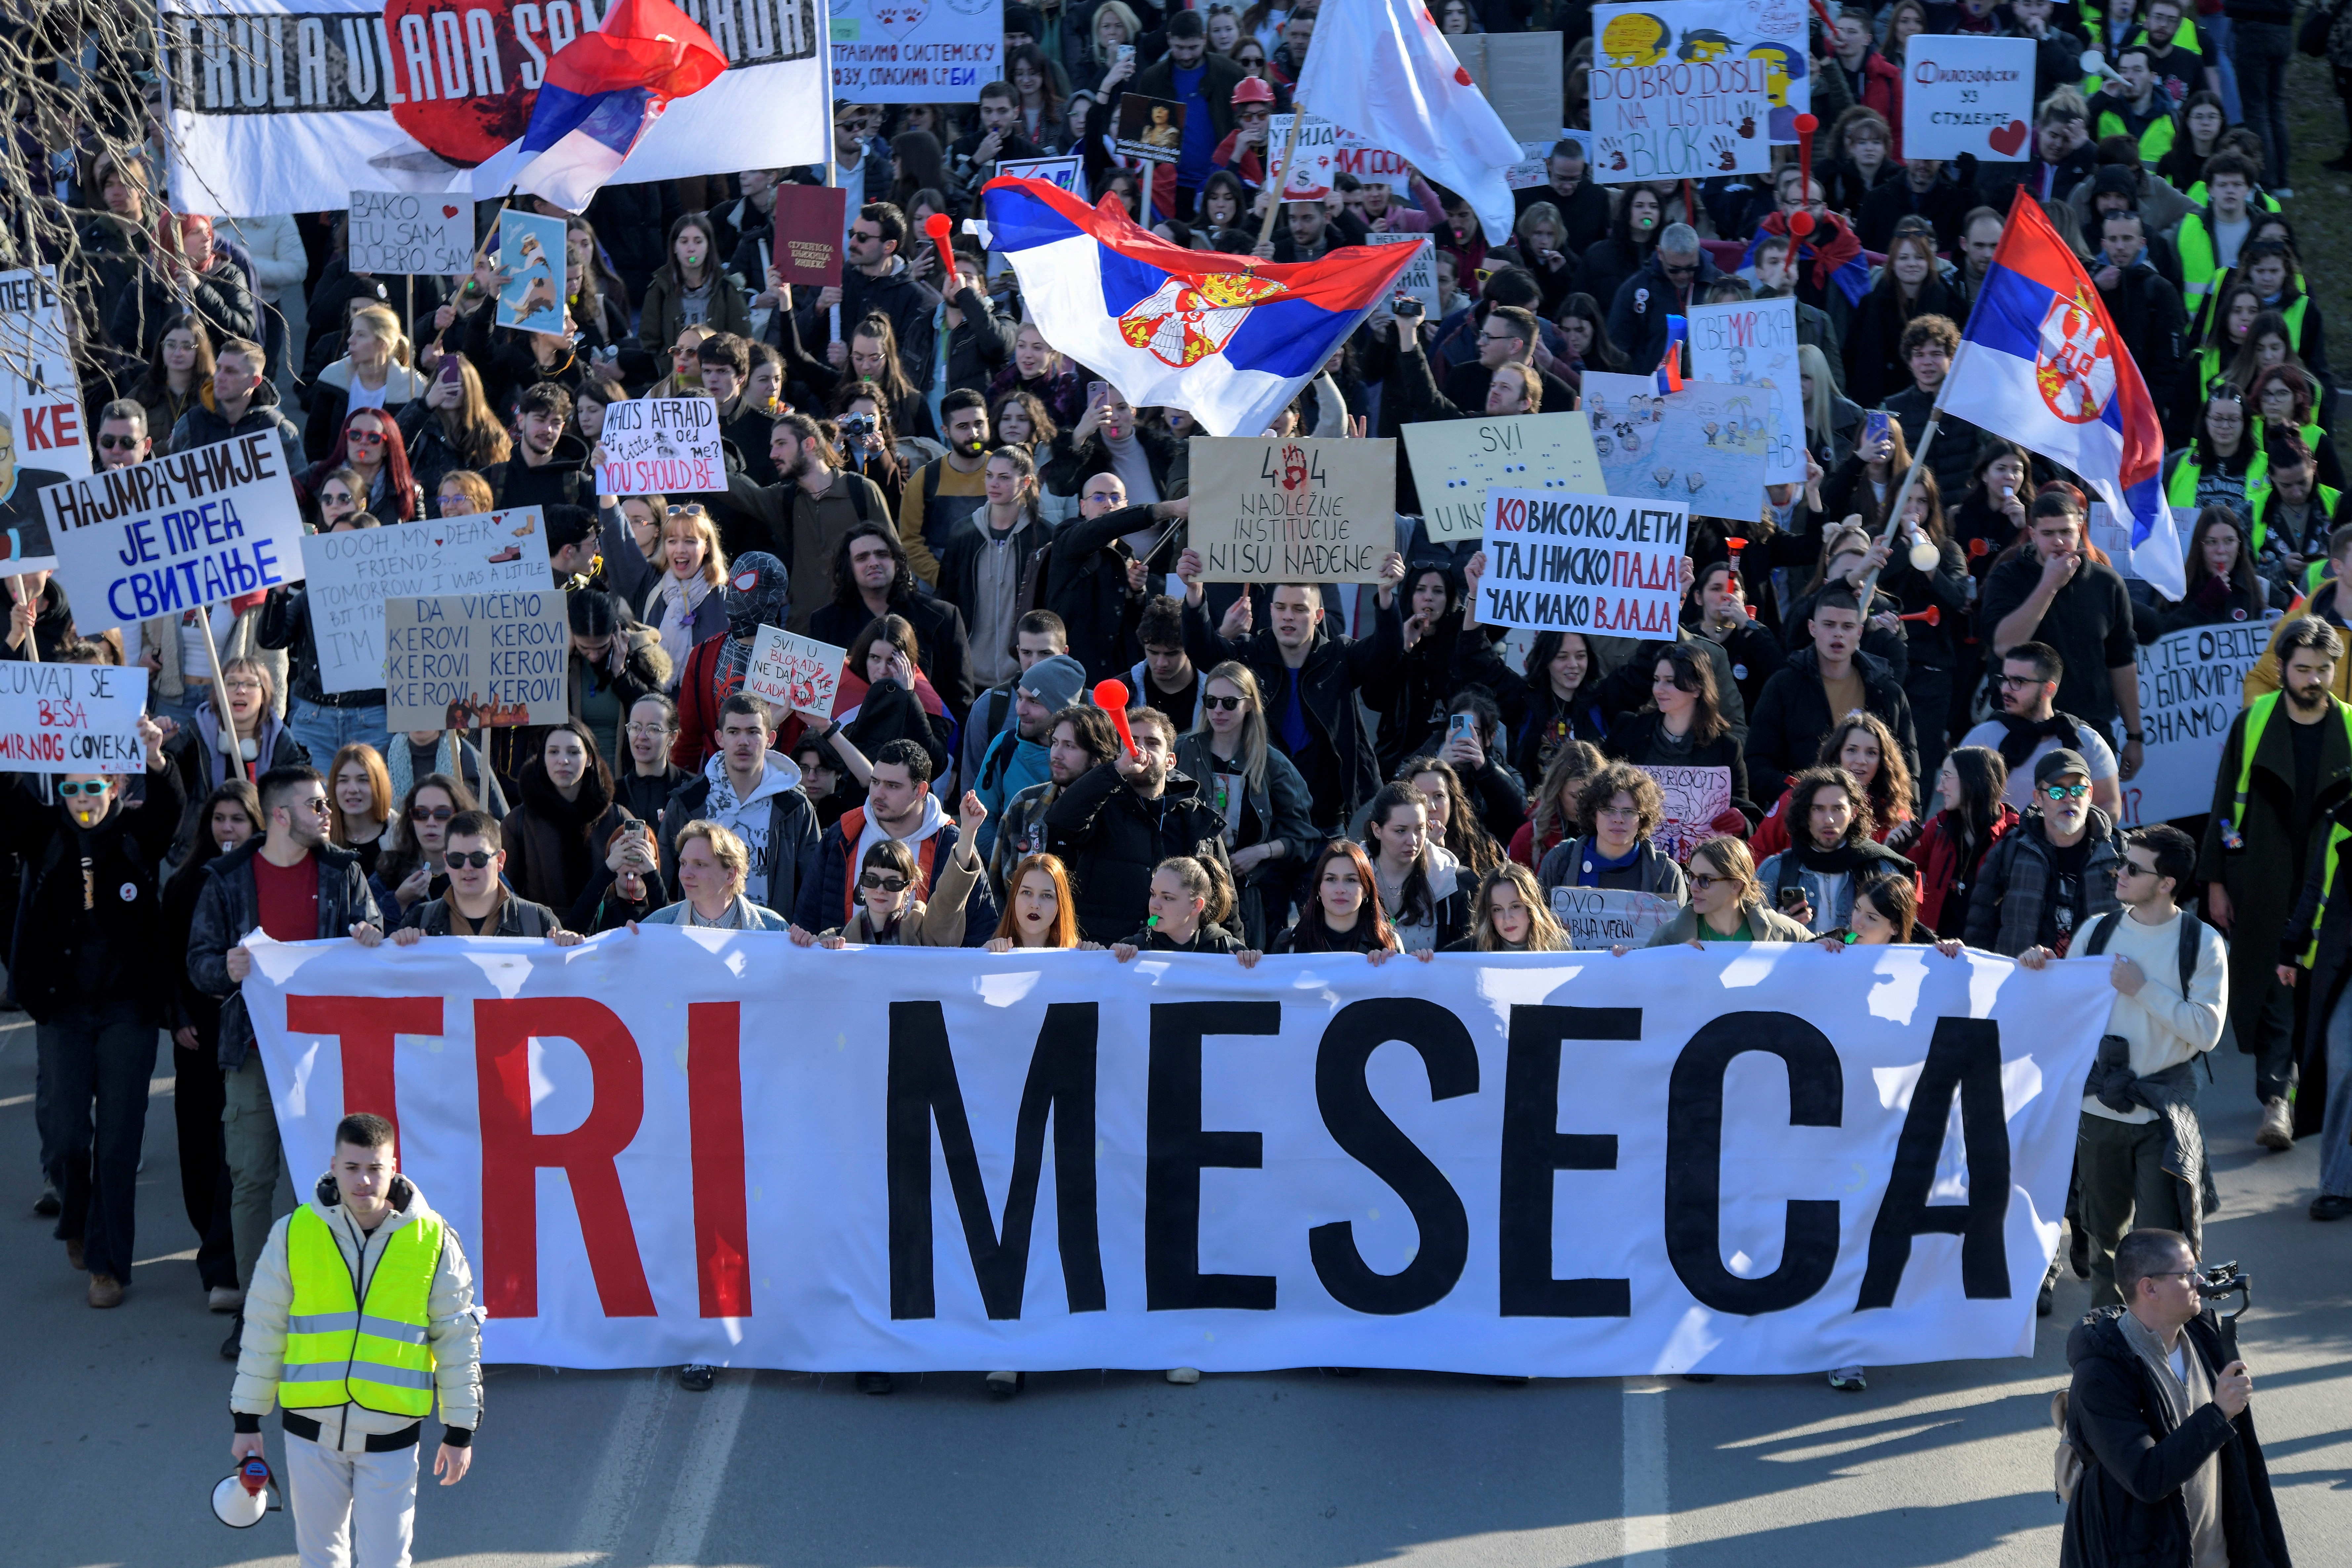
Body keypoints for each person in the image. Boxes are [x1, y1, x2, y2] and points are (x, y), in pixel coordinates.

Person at [189, 766, 388, 1358]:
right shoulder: (225, 879)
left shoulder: (342, 870)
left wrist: (370, 932)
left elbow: (375, 924)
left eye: (326, 802)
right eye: (315, 804)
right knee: (252, 1179)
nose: (328, 811)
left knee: (330, 1182)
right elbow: (198, 961)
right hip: (254, 1052)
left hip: (328, 1056)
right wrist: (224, 968)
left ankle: (337, 1308)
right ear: (280, 815)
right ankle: (258, 1314)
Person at [226, 1113, 482, 1568]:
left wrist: (460, 1429)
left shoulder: (434, 1239)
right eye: (352, 1167)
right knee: (319, 1559)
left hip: (391, 1437)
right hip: (310, 1432)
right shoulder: (293, 1233)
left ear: (394, 1167)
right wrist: (247, 1419)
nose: (363, 1180)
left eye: (375, 1168)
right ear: (333, 1164)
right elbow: (265, 1330)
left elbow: (457, 1338)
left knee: (386, 1561)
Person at [8, 714, 179, 1308]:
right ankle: (76, 1219)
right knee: (65, 1139)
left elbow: (170, 807)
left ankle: (108, 1265)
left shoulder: (137, 837)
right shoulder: (44, 834)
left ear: (114, 786)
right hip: (63, 1011)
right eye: (70, 788)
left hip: (126, 1011)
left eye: (93, 787)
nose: (82, 799)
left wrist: (157, 759)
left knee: (117, 1141)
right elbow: (8, 798)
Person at [2017, 825, 2226, 1306]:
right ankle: (2104, 1350)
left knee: (2157, 1248)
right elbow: (2064, 1009)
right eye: (2123, 862)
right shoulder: (2097, 930)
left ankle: (2156, 1348)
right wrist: (2042, 968)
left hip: (2162, 1114)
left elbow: (2206, 1031)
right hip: (2099, 1107)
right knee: (2103, 1243)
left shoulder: (2201, 942)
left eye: (2134, 867)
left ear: (2167, 882)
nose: (2120, 872)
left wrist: (2142, 989)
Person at [2199, 617, 2351, 1150]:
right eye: (2302, 669)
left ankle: (2316, 1097)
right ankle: (2275, 1100)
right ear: (2281, 669)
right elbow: (2223, 805)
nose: (2313, 679)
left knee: (2320, 990)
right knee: (2270, 987)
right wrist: (2215, 879)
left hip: (2332, 887)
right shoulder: (2254, 721)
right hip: (2261, 877)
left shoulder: (2350, 727)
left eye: (2323, 670)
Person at [2058, 1228, 2287, 1568]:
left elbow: (2242, 1466)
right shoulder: (2101, 1376)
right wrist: (2218, 1413)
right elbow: (2146, 1477)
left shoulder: (2203, 1338)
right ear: (2149, 1287)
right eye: (2186, 1273)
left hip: (2217, 1555)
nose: (2199, 1280)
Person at [1177, 546, 1407, 829]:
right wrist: (1195, 593)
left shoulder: (1340, 657)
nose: (1288, 616)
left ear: (1318, 616)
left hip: (1330, 819)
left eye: (1299, 609)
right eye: (1281, 608)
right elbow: (1203, 651)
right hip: (1265, 817)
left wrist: (1385, 595)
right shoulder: (1251, 655)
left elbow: (1386, 652)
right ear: (1271, 611)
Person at [161, 778, 264, 1311]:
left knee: (240, 1151)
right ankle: (211, 1236)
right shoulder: (184, 884)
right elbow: (172, 959)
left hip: (251, 1036)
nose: (228, 828)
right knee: (201, 1142)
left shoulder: (261, 878)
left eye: (238, 819)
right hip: (197, 1035)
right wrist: (177, 1016)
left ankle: (229, 1255)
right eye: (220, 819)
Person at [1981, 493, 2144, 773]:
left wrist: (2134, 735)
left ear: (2080, 528)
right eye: (2048, 533)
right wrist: (2049, 585)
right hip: (2022, 730)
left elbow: (2122, 662)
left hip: (2089, 730)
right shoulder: (2008, 578)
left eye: (2066, 532)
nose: (2058, 541)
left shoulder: (2106, 583)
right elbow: (2004, 645)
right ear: (2032, 534)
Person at [1044, 705, 1233, 941]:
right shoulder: (1099, 807)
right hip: (1105, 955)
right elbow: (1060, 820)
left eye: (1152, 742)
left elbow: (1225, 899)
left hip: (1172, 960)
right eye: (1131, 741)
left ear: (1170, 761)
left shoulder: (1197, 819)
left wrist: (1236, 956)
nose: (1139, 749)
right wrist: (1115, 771)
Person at [1744, 586, 1919, 799]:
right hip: (1800, 815)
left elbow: (1907, 770)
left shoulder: (1887, 692)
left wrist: (1911, 825)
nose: (1838, 633)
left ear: (1859, 632)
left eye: (1847, 626)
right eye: (1829, 625)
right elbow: (1757, 763)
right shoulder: (1783, 686)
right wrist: (1801, 793)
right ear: (1812, 628)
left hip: (1873, 819)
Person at [795, 737, 978, 934]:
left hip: (920, 966)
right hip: (844, 964)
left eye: (892, 786)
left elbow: (980, 926)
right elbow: (807, 917)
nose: (878, 794)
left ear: (920, 790)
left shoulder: (953, 843)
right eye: (875, 782)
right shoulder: (843, 834)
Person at [658, 693, 820, 917]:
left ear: (770, 738)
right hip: (699, 937)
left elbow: (813, 887)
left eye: (753, 732)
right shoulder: (687, 803)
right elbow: (664, 882)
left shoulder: (795, 806)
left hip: (771, 938)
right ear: (720, 738)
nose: (743, 741)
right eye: (734, 732)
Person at [809, 524, 976, 723]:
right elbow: (818, 699)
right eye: (862, 558)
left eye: (882, 554)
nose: (873, 563)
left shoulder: (944, 617)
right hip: (849, 743)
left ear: (897, 561)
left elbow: (961, 701)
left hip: (927, 739)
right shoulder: (825, 623)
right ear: (848, 567)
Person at [1966, 748, 2124, 958]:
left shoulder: (2121, 852)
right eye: (2057, 792)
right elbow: (1981, 928)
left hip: (2102, 984)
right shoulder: (2010, 850)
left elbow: (2148, 924)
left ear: (2091, 794)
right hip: (2028, 981)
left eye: (2078, 790)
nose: (2069, 799)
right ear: (2039, 798)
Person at [1958, 641, 2126, 817]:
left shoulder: (2085, 740)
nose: (2006, 690)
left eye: (2019, 682)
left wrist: (2069, 836)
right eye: (2005, 680)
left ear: (2048, 689)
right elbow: (1958, 804)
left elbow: (2110, 806)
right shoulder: (1982, 738)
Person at [800, 794, 989, 947]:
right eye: (871, 880)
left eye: (893, 883)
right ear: (861, 884)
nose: (881, 890)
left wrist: (968, 832)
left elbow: (950, 897)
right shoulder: (834, 939)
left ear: (910, 887)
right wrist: (810, 945)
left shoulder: (925, 934)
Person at [1754, 766, 1916, 935]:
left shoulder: (1881, 871)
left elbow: (1904, 937)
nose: (1829, 820)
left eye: (1838, 809)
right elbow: (1749, 940)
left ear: (1854, 813)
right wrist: (1779, 926)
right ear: (1805, 813)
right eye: (1818, 809)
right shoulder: (1775, 871)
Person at [672, 552, 796, 770]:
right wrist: (680, 787)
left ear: (773, 594)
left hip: (781, 779)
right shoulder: (704, 655)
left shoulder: (798, 659)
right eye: (732, 582)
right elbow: (687, 736)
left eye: (745, 583)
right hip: (718, 781)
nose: (734, 593)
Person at [500, 721, 636, 914]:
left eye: (573, 752)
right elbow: (506, 896)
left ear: (589, 759)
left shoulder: (618, 818)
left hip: (604, 937)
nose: (563, 760)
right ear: (543, 758)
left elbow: (637, 894)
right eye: (554, 752)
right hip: (544, 936)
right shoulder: (517, 822)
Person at [1605, 641, 1752, 818]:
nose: (1658, 690)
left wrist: (1743, 822)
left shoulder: (1727, 747)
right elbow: (1604, 792)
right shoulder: (1628, 730)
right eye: (1657, 680)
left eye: (1670, 681)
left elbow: (1743, 809)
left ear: (1697, 688)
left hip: (1702, 845)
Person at [388, 811, 584, 942]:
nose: (467, 868)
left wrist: (568, 951)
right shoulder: (419, 922)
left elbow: (563, 990)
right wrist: (401, 947)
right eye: (457, 859)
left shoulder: (539, 922)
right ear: (446, 862)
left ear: (500, 860)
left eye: (478, 858)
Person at [1751, 711, 1914, 862]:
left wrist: (1888, 853)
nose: (1861, 760)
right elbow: (1757, 852)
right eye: (1852, 750)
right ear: (1837, 754)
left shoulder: (1893, 813)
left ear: (1883, 762)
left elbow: (1909, 878)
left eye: (1871, 753)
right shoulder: (1797, 798)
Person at [971, 653, 1088, 856]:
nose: (1020, 710)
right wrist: (1007, 869)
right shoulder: (1004, 746)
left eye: (1034, 702)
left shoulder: (1091, 756)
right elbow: (981, 819)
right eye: (1019, 698)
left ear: (1062, 710)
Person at [1536, 761, 1691, 908]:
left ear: (1642, 819)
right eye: (1609, 810)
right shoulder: (1559, 862)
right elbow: (1538, 927)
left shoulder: (1667, 874)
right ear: (1593, 815)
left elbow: (1677, 935)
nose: (1618, 820)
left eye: (1629, 812)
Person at [1904, 747, 2019, 937]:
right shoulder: (1939, 826)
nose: (1940, 788)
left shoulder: (2013, 836)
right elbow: (1903, 868)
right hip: (1936, 950)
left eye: (1947, 777)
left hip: (1985, 956)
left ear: (1973, 780)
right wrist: (1893, 848)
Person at [1637, 837, 1815, 947]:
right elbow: (1640, 984)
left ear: (1736, 885)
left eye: (1706, 880)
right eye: (1691, 877)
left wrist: (1825, 946)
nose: (1694, 887)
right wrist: (1623, 960)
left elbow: (1827, 961)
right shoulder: (1667, 938)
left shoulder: (1781, 930)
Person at [1360, 780, 1467, 953]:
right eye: (1401, 831)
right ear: (1377, 830)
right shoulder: (1351, 876)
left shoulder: (1454, 882)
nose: (1413, 841)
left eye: (1420, 829)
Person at [1271, 840, 1419, 963]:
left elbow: (1402, 993)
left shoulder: (1387, 943)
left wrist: (1423, 964)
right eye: (1331, 879)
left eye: (1351, 880)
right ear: (1319, 889)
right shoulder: (1288, 943)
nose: (1340, 889)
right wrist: (1250, 964)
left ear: (1366, 890)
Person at [642, 819, 797, 931]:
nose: (686, 875)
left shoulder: (775, 929)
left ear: (730, 875)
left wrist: (806, 946)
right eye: (684, 864)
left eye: (700, 865)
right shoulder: (655, 927)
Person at [370, 773, 476, 919]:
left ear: (460, 816)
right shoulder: (390, 868)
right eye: (421, 814)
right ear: (410, 818)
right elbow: (364, 926)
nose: (431, 822)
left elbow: (509, 914)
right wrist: (399, 901)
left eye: (442, 813)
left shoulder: (480, 865)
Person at [1441, 862, 1571, 953]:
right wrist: (1426, 959)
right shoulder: (1467, 952)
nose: (1507, 919)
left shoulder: (1558, 948)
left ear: (1532, 908)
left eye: (1515, 907)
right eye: (1497, 909)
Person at [985, 852, 1102, 952]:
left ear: (1061, 904)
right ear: (1014, 897)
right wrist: (983, 958)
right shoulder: (991, 954)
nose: (1035, 905)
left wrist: (1109, 962)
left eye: (1047, 895)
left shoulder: (1080, 958)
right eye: (1027, 893)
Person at [613, 692, 694, 832]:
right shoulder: (614, 794)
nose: (642, 736)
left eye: (653, 730)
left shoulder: (692, 790)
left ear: (673, 737)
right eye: (635, 727)